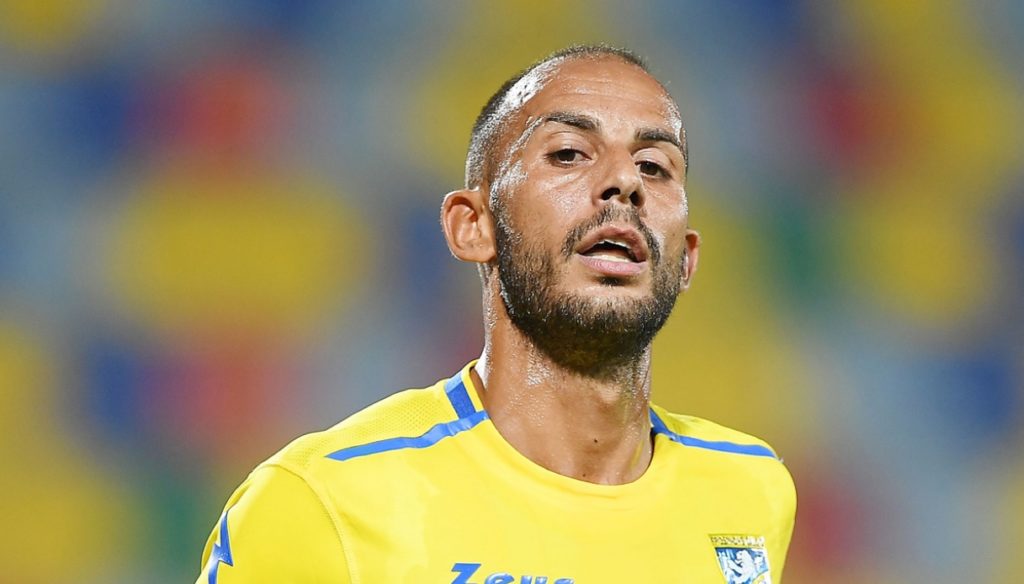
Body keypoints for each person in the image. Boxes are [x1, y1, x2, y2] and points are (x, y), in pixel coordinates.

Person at [195, 44, 796, 583]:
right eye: (569, 153)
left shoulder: (752, 491)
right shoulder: (324, 501)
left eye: (654, 166)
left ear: (685, 259)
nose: (623, 181)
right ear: (473, 226)